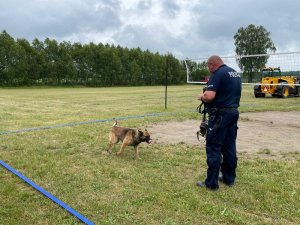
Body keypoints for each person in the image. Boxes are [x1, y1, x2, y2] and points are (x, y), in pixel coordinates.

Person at [197, 55, 242, 190]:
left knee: (213, 147)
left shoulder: (217, 74)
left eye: (209, 67)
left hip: (219, 115)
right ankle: (229, 178)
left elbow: (209, 96)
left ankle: (211, 183)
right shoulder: (234, 73)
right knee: (229, 146)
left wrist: (202, 97)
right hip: (233, 112)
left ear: (212, 65)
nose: (209, 70)